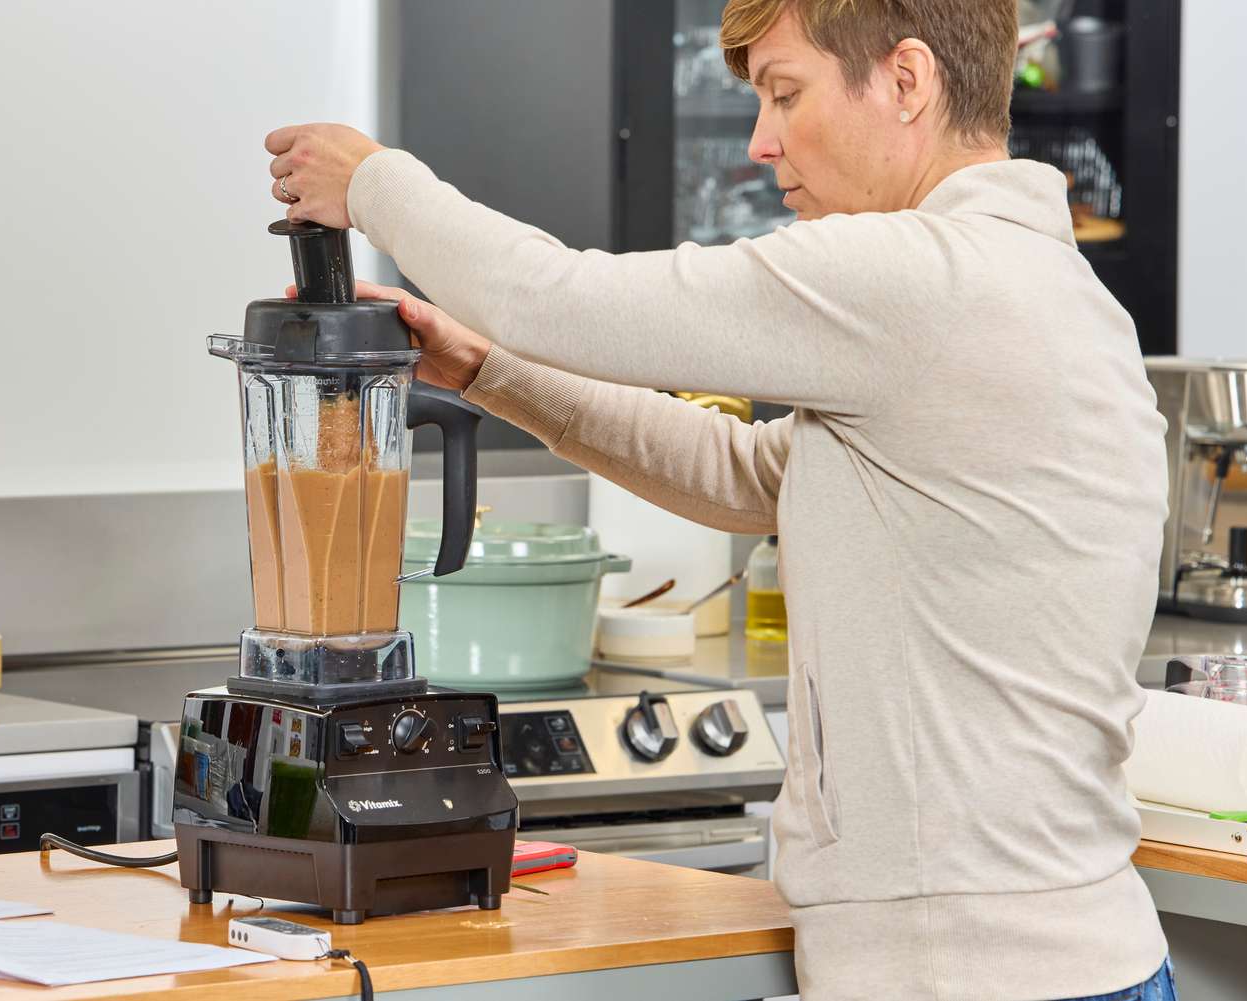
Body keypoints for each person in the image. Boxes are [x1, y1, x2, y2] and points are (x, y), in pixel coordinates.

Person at [264, 1, 1176, 998]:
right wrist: (489, 370)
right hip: (1092, 954)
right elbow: (750, 473)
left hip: (963, 977)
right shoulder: (1056, 295)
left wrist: (374, 182)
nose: (761, 141)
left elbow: (558, 297)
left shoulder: (917, 276)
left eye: (787, 93)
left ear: (907, 81)